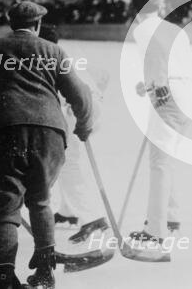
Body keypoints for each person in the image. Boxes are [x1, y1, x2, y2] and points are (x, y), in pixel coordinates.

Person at [0, 1, 94, 289]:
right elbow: (81, 96)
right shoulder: (54, 51)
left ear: (11, 24)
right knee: (40, 200)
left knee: (5, 207)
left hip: (4, 131)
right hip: (49, 134)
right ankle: (46, 272)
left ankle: (2, 278)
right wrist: (84, 126)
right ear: (37, 25)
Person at [127, 0, 190, 260]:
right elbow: (174, 63)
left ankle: (156, 230)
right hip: (184, 95)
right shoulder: (173, 28)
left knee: (159, 163)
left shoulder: (143, 29)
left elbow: (155, 59)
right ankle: (170, 217)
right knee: (167, 159)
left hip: (167, 97)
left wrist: (155, 86)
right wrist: (151, 83)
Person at [37, 24, 108, 244]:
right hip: (89, 105)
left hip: (78, 109)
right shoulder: (67, 52)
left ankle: (91, 219)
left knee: (68, 164)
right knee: (67, 160)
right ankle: (68, 211)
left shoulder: (48, 58)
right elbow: (103, 76)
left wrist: (81, 116)